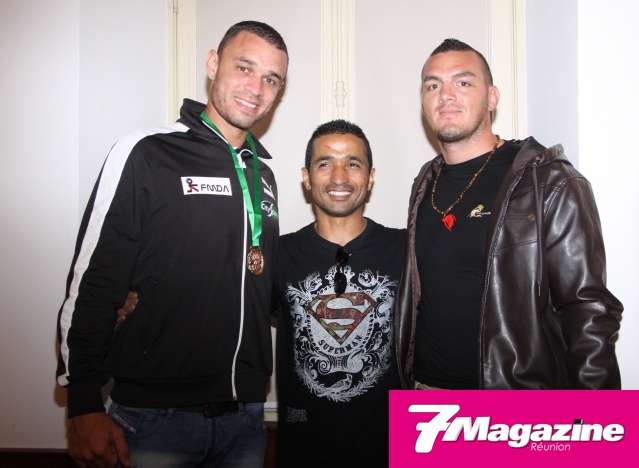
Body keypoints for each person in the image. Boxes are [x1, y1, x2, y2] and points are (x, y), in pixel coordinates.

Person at [56, 20, 288, 467]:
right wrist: (82, 402)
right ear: (213, 64)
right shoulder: (147, 152)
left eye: (271, 79)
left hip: (246, 421)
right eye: (244, 68)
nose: (256, 88)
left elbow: (258, 283)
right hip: (154, 420)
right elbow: (95, 280)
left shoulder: (265, 176)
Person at [396, 38, 623, 390]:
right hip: (424, 394)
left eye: (463, 82)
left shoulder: (549, 181)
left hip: (513, 399)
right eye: (433, 85)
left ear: (492, 97)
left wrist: (596, 416)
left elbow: (587, 308)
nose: (446, 95)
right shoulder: (425, 182)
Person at [272, 120, 404, 467]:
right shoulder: (278, 254)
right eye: (325, 163)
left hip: (391, 448)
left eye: (353, 163)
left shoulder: (407, 249)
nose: (339, 177)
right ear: (307, 177)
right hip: (303, 449)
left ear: (370, 177)